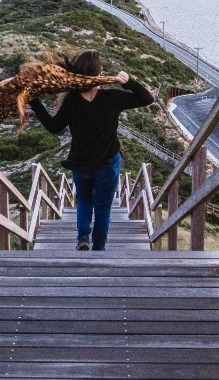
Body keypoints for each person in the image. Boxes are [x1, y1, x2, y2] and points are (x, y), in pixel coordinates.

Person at [28, 50, 154, 251]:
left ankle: (83, 237)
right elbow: (147, 99)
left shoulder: (72, 100)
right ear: (99, 74)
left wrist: (34, 103)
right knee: (103, 210)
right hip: (108, 164)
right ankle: (98, 250)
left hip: (81, 164)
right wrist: (128, 82)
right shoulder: (113, 98)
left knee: (85, 201)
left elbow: (53, 127)